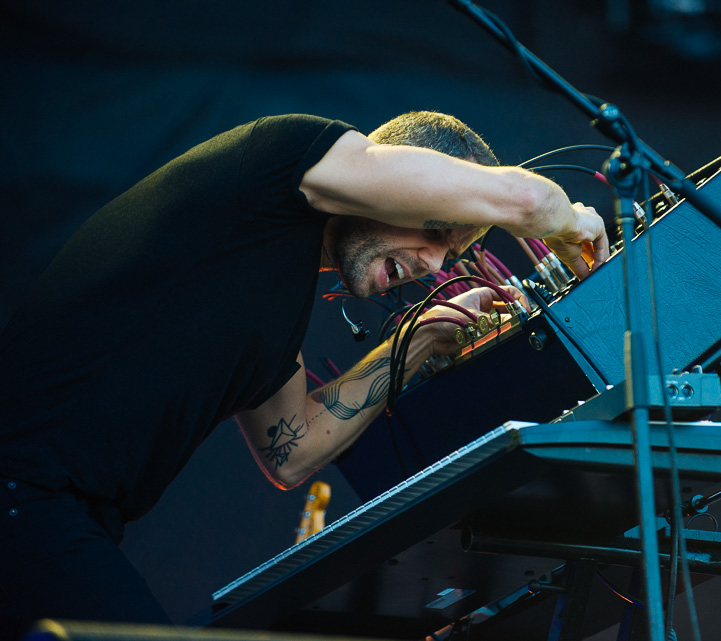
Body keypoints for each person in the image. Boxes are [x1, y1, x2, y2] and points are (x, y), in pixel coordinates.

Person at [0, 111, 608, 634]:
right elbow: (528, 201)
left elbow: (290, 451)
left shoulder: (271, 295)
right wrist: (565, 219)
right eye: (433, 231)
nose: (433, 263)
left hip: (61, 515)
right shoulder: (280, 156)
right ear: (393, 182)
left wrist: (418, 340)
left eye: (450, 253)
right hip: (26, 488)